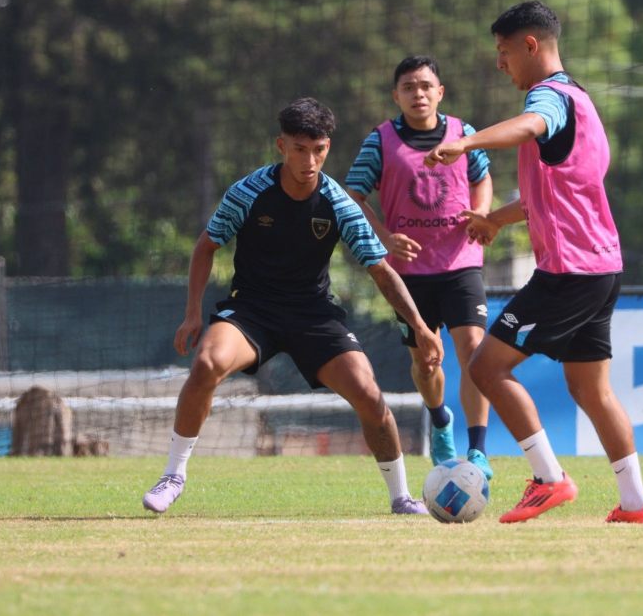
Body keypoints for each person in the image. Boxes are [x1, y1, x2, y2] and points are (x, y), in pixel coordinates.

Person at [143, 97, 445, 516]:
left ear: (327, 148)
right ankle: (174, 475)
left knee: (370, 396)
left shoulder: (339, 204)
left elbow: (381, 271)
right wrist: (193, 312)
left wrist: (420, 326)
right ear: (281, 146)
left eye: (318, 149)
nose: (309, 160)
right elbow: (206, 246)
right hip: (252, 310)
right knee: (207, 364)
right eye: (300, 149)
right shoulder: (248, 192)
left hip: (314, 314)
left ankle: (401, 497)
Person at [425, 0, 643, 525]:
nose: (500, 64)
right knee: (591, 389)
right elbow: (555, 194)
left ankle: (549, 478)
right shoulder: (583, 101)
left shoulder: (549, 97)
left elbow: (530, 125)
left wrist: (465, 142)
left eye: (505, 52)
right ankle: (635, 504)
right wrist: (498, 221)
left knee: (486, 366)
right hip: (602, 266)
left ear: (531, 46)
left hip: (569, 272)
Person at [345, 56, 495, 479]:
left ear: (440, 92)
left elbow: (481, 176)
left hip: (461, 262)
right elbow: (352, 195)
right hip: (409, 274)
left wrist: (481, 212)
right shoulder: (380, 141)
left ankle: (478, 450)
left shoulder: (462, 133)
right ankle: (440, 419)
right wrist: (384, 237)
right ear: (396, 96)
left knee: (473, 352)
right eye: (409, 87)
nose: (419, 94)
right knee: (427, 362)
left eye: (426, 86)